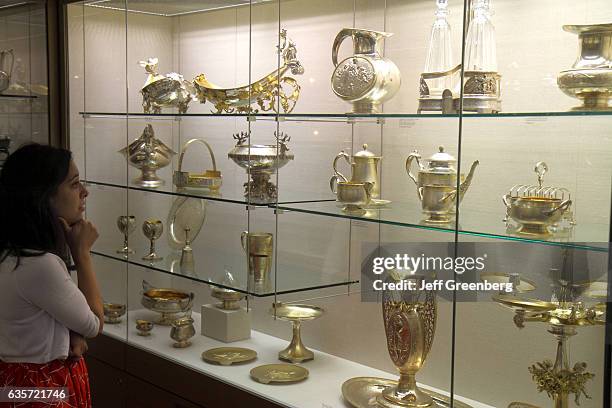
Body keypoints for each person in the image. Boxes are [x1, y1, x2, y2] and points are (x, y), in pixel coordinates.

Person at [0, 143, 103, 408]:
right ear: (44, 196)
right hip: (39, 389)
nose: (84, 192)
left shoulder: (12, 254)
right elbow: (93, 323)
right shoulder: (39, 265)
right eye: (74, 184)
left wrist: (72, 336)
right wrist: (82, 254)